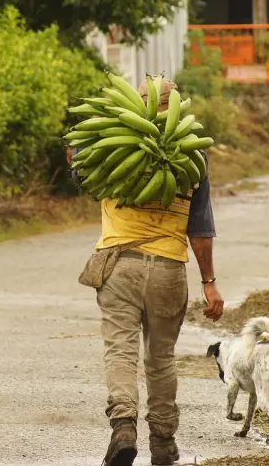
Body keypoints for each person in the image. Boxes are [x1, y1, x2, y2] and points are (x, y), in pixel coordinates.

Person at [68, 78, 224, 466]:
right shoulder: (193, 158)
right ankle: (163, 443)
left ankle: (123, 427)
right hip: (169, 269)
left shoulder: (112, 148)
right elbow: (200, 228)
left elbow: (77, 168)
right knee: (161, 359)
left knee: (120, 352)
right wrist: (209, 282)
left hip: (118, 264)